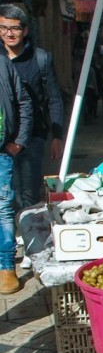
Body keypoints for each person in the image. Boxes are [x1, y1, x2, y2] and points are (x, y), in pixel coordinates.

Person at [0, 3, 63, 212]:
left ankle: (28, 231)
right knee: (5, 199)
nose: (9, 33)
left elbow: (54, 98)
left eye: (15, 28)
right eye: (4, 28)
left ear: (25, 30)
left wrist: (57, 136)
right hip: (2, 139)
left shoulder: (40, 58)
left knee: (28, 196)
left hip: (33, 137)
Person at [0, 32, 31, 294]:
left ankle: (6, 267)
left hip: (2, 150)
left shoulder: (3, 63)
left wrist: (19, 140)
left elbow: (23, 102)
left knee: (3, 209)